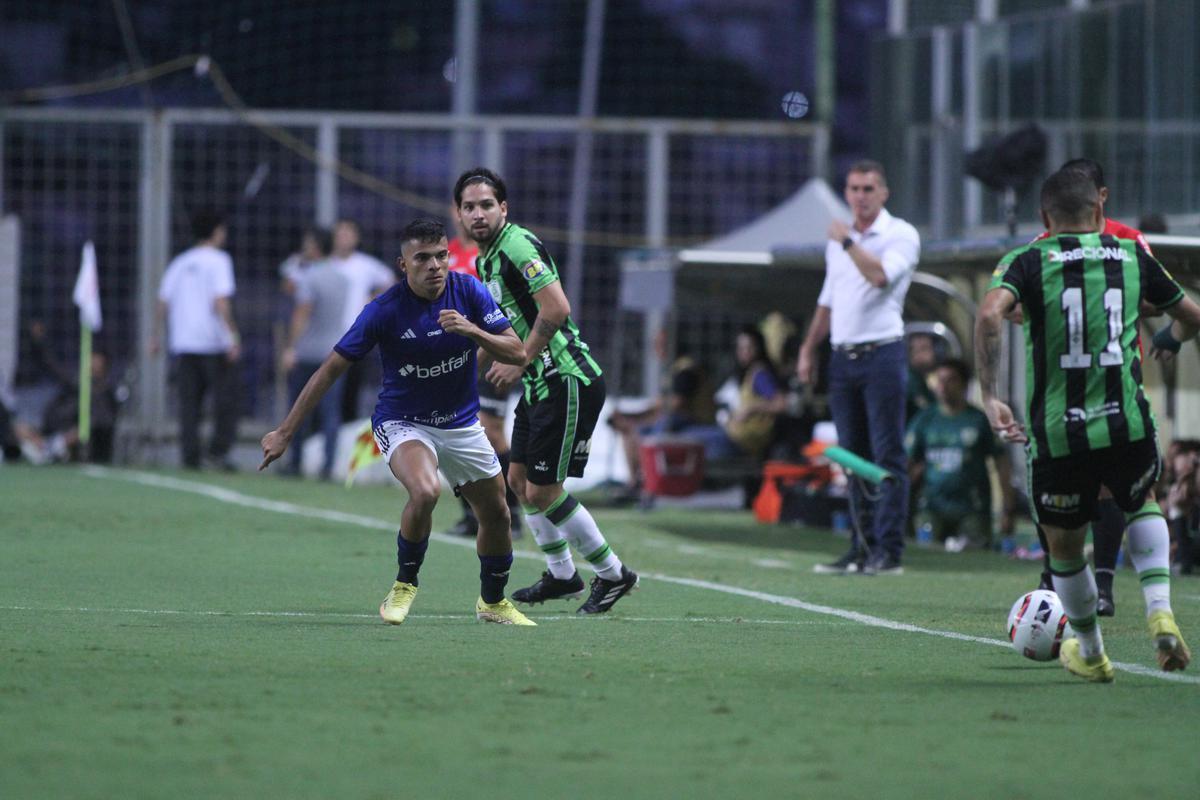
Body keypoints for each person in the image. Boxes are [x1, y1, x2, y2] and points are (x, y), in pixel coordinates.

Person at [976, 168, 1198, 681]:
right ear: (1099, 210)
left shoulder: (1028, 259)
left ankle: (1093, 653)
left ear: (1044, 217)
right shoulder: (1131, 254)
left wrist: (990, 396)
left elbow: (989, 315)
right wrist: (1170, 337)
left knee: (1065, 547)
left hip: (1060, 434)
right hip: (1127, 422)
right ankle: (1160, 610)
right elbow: (1190, 315)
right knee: (1142, 501)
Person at [260, 218, 534, 626]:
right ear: (403, 265)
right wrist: (285, 432)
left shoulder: (469, 291)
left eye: (441, 256)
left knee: (497, 513)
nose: (435, 266)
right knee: (425, 491)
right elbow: (330, 370)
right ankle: (405, 585)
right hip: (404, 422)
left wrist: (472, 330)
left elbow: (517, 352)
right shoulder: (383, 311)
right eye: (422, 258)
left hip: (460, 423)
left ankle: (492, 603)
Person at [455, 167, 639, 614]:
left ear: (503, 208)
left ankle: (614, 574)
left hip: (566, 378)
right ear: (459, 214)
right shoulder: (485, 261)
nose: (478, 214)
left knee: (542, 491)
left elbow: (556, 308)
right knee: (518, 482)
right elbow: (500, 331)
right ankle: (562, 575)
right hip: (539, 385)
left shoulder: (517, 245)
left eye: (486, 205)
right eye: (469, 207)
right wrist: (459, 376)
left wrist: (520, 360)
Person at [1025, 158, 1157, 615]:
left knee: (1110, 487)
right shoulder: (1044, 244)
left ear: (1101, 196)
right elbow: (1013, 303)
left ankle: (1103, 583)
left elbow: (1153, 294)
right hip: (1057, 384)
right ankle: (1055, 573)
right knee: (1056, 482)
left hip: (1116, 378)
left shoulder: (1129, 241)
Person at [798, 160, 921, 575]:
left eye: (868, 188)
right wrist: (808, 349)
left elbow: (879, 277)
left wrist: (848, 241)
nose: (860, 196)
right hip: (843, 357)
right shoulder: (840, 242)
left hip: (882, 353)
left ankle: (889, 551)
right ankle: (860, 546)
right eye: (853, 189)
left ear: (884, 193)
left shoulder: (900, 234)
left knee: (887, 454)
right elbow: (828, 301)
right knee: (851, 457)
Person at [443, 205, 525, 540]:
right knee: (454, 434)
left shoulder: (490, 257)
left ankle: (511, 514)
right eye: (463, 208)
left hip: (489, 354)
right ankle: (470, 514)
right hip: (451, 358)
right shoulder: (443, 255)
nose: (469, 215)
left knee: (491, 431)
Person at [151, 210, 241, 471]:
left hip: (184, 343)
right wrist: (233, 337)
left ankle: (189, 456)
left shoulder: (180, 262)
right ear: (215, 231)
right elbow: (220, 302)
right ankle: (217, 452)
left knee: (189, 405)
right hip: (212, 343)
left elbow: (162, 302)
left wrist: (155, 336)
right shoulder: (220, 260)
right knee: (226, 401)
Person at [906, 358, 1014, 552]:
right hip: (931, 507)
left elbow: (1001, 462)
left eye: (951, 380)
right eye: (940, 380)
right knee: (927, 551)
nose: (943, 386)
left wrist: (1008, 507)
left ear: (964, 384)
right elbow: (908, 462)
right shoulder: (924, 419)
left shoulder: (978, 420)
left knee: (974, 553)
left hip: (972, 509)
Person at [279, 227, 347, 480]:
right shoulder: (342, 277)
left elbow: (302, 315)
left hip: (308, 352)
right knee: (331, 412)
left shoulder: (309, 277)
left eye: (308, 244)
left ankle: (295, 462)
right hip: (335, 352)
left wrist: (290, 347)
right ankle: (328, 466)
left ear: (316, 247)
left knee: (300, 408)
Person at [681, 325, 786, 462]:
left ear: (759, 348)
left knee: (687, 436)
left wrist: (751, 408)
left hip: (745, 438)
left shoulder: (760, 374)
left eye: (749, 347)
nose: (744, 352)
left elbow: (781, 403)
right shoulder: (750, 373)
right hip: (739, 434)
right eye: (741, 348)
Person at [329, 219, 395, 423]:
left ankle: (346, 429)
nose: (344, 238)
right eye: (340, 234)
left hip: (356, 334)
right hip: (327, 336)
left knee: (352, 388)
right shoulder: (325, 264)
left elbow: (390, 282)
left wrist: (373, 300)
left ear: (356, 238)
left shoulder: (365, 265)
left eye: (348, 234)